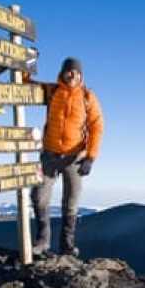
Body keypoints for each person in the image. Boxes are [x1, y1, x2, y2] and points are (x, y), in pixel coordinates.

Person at [22, 57, 104, 257]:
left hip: (75, 156)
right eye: (68, 71)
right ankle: (42, 242)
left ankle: (67, 246)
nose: (72, 74)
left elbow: (97, 126)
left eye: (75, 72)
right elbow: (25, 84)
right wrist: (27, 66)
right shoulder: (52, 90)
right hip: (49, 154)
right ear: (62, 73)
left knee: (71, 201)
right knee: (39, 197)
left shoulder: (87, 96)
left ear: (81, 75)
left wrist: (91, 157)